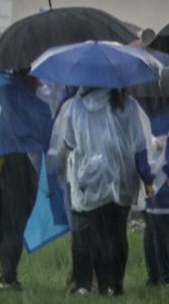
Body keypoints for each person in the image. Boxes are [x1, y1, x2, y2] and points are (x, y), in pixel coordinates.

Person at [51, 87, 156, 296]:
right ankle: (115, 283)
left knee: (97, 234)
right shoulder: (128, 105)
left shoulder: (77, 106)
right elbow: (140, 146)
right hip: (122, 179)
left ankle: (102, 284)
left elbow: (70, 142)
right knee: (117, 233)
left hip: (90, 180)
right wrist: (147, 179)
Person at [0, 70, 54, 290]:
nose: (40, 83)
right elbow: (45, 132)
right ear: (28, 76)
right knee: (15, 223)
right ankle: (8, 276)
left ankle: (5, 271)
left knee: (4, 223)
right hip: (16, 168)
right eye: (37, 78)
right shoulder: (27, 100)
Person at [144, 135, 169, 286]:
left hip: (154, 178)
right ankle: (161, 277)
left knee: (156, 231)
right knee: (158, 231)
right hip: (157, 181)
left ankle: (158, 277)